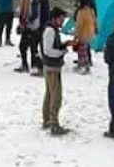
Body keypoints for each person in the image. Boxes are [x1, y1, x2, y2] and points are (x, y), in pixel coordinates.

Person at [41, 7, 73, 136]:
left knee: (49, 95)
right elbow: (48, 50)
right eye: (61, 19)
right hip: (52, 68)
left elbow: (52, 47)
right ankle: (54, 124)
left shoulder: (52, 30)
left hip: (50, 67)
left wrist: (64, 44)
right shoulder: (50, 31)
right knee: (56, 96)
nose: (62, 22)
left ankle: (47, 120)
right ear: (54, 18)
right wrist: (62, 51)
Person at [31, 0, 51, 77]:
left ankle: (39, 67)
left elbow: (36, 13)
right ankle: (44, 66)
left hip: (38, 26)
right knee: (43, 47)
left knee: (35, 47)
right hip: (45, 25)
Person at [15, 0, 35, 73]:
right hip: (24, 24)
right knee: (25, 46)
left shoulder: (31, 0)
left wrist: (25, 23)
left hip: (30, 26)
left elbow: (31, 14)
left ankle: (28, 65)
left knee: (25, 46)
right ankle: (27, 64)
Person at [74, 0, 97, 74]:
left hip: (83, 33)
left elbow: (79, 25)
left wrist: (76, 35)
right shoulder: (91, 10)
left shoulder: (81, 12)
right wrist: (96, 28)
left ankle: (84, 67)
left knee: (82, 51)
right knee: (85, 49)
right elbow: (95, 20)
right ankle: (84, 65)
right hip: (90, 32)